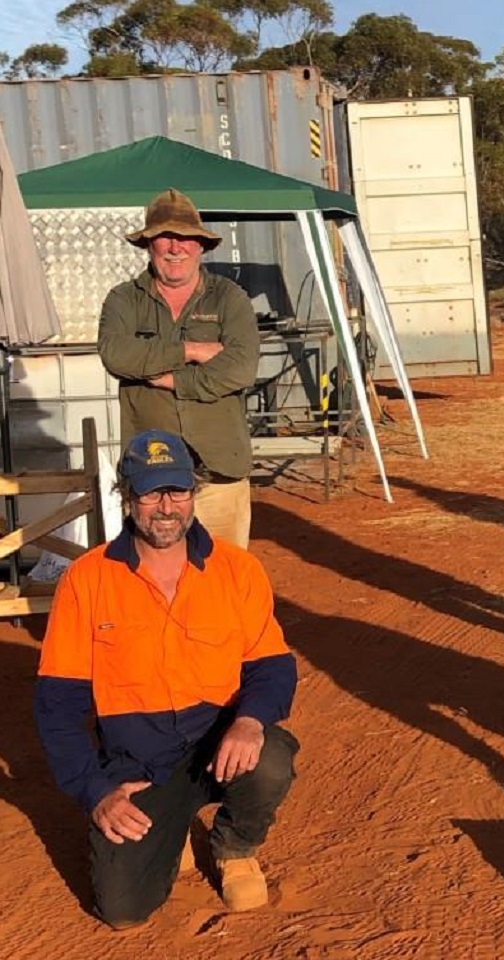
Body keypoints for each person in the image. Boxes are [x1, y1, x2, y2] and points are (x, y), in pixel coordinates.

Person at [34, 429, 299, 927]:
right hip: (139, 763)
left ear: (193, 493)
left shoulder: (237, 569)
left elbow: (272, 664)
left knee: (269, 758)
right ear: (127, 496)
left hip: (218, 744)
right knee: (122, 911)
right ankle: (170, 829)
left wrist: (249, 722)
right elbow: (58, 707)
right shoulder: (86, 580)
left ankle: (235, 846)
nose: (165, 507)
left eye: (177, 491)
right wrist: (97, 791)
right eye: (150, 492)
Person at [98, 188, 259, 548]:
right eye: (165, 237)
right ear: (148, 244)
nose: (175, 247)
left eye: (185, 237)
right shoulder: (124, 299)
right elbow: (116, 354)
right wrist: (193, 349)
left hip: (220, 471)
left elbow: (241, 367)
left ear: (201, 245)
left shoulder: (229, 298)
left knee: (223, 571)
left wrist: (172, 379)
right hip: (150, 478)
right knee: (154, 571)